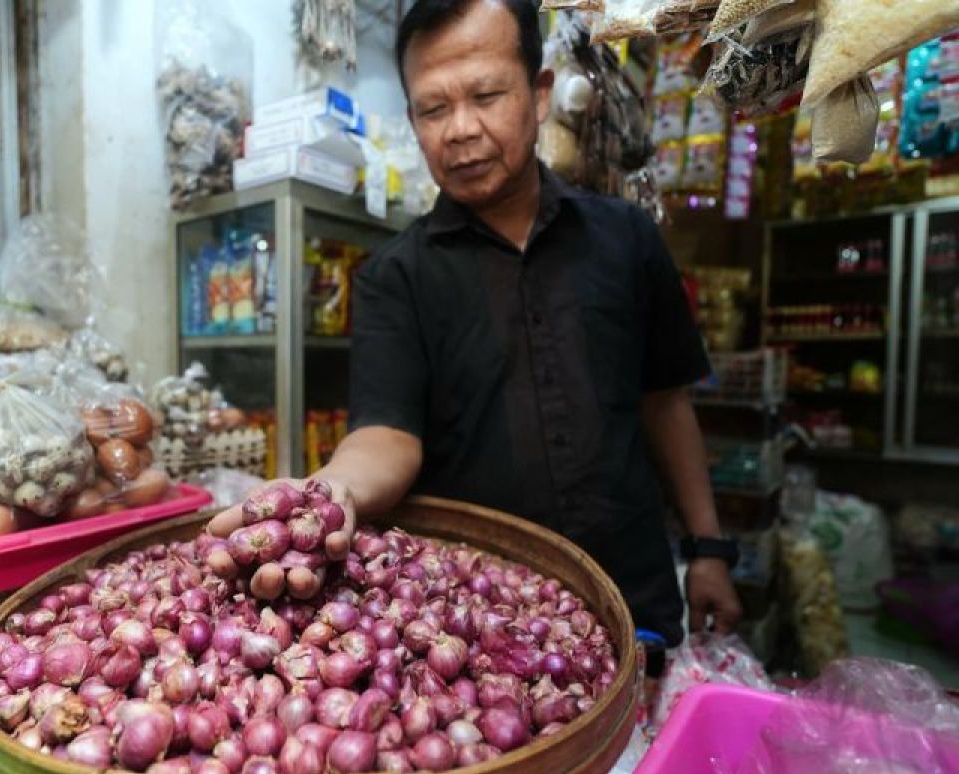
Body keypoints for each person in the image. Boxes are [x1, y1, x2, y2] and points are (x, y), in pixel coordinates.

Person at [210, 0, 742, 647]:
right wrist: (325, 495)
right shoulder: (393, 276)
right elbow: (387, 433)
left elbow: (666, 401)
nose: (460, 129)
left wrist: (708, 547)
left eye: (487, 95)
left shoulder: (626, 238)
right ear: (413, 119)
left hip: (633, 598)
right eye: (434, 109)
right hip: (476, 622)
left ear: (539, 94)